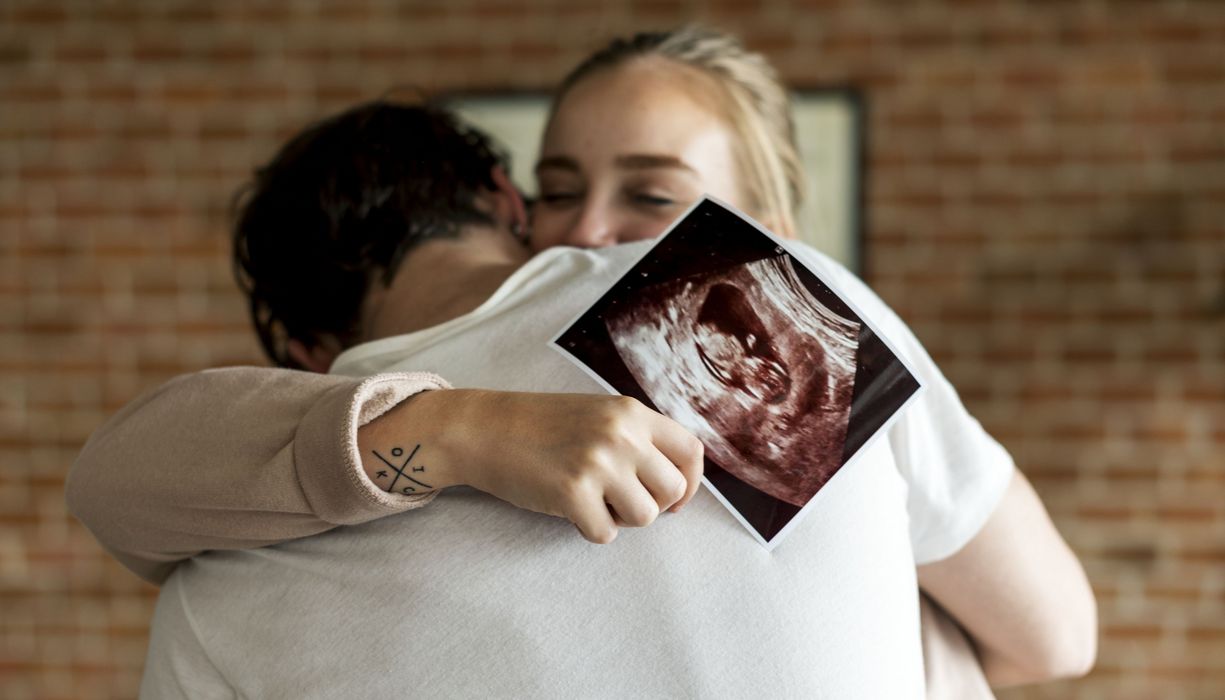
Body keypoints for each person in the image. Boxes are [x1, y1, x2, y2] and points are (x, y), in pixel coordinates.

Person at [66, 27, 1095, 695]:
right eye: (565, 190)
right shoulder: (717, 300)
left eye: (651, 199)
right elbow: (1053, 637)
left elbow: (112, 483)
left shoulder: (217, 577)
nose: (595, 235)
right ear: (514, 209)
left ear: (298, 345)